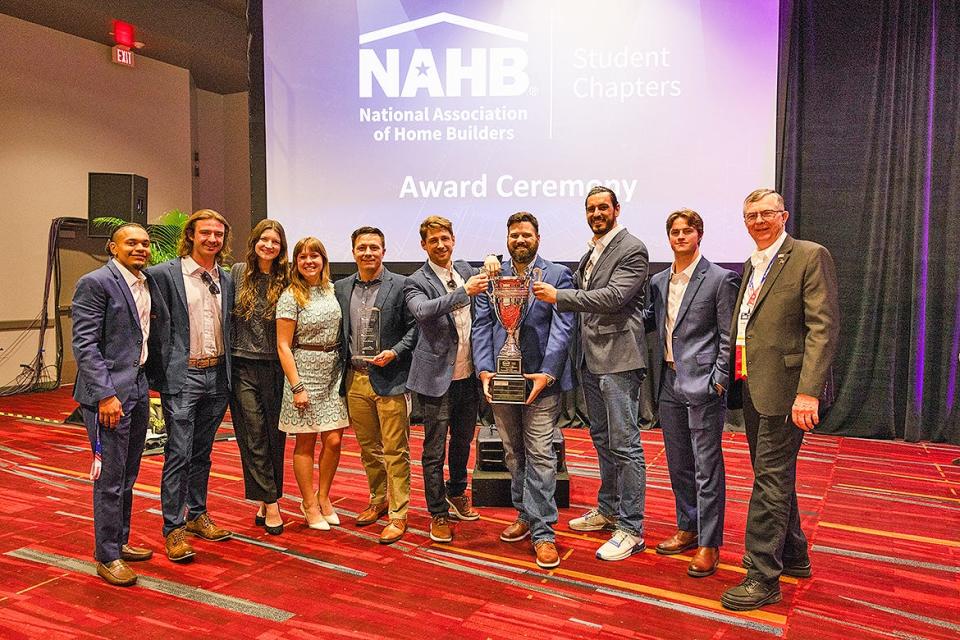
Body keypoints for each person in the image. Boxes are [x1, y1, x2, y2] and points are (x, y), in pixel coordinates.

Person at [720, 188, 839, 611]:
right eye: (750, 214)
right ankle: (794, 555)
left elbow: (822, 329)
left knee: (769, 479)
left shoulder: (809, 255)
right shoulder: (754, 262)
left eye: (766, 213)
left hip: (789, 391)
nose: (757, 221)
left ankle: (762, 577)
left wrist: (808, 391)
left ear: (784, 215)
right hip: (754, 385)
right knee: (772, 474)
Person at [533, 185, 649, 561]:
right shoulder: (591, 253)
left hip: (619, 360)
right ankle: (609, 509)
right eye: (591, 208)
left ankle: (631, 527)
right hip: (591, 360)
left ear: (617, 209)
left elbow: (615, 297)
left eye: (603, 207)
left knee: (626, 445)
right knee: (602, 438)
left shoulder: (632, 248)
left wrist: (559, 297)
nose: (597, 213)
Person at [473, 212, 575, 568]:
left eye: (526, 235)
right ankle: (525, 514)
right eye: (514, 234)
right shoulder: (493, 277)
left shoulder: (558, 275)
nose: (520, 240)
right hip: (501, 383)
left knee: (542, 454)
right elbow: (482, 326)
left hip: (540, 384)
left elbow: (563, 330)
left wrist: (546, 375)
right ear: (506, 239)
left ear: (538, 238)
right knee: (513, 452)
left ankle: (544, 532)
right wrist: (485, 372)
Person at [72, 223, 168, 586]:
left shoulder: (145, 283)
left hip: (139, 387)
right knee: (109, 479)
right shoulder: (95, 283)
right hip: (108, 394)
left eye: (145, 243)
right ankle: (106, 555)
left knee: (128, 475)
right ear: (113, 247)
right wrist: (105, 395)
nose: (141, 248)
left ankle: (120, 540)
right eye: (132, 243)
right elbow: (85, 345)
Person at [646, 209, 739, 577]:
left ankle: (709, 543)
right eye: (675, 232)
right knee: (678, 463)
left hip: (703, 383)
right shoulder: (658, 281)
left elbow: (728, 336)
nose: (681, 237)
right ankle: (687, 527)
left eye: (687, 231)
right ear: (668, 237)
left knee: (707, 466)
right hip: (668, 381)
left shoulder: (720, 279)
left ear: (699, 235)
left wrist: (718, 379)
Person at [148, 209, 235, 562]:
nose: (212, 239)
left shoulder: (226, 279)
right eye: (206, 233)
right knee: (179, 453)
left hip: (217, 376)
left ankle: (197, 515)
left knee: (203, 452)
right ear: (191, 235)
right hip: (182, 377)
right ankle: (174, 528)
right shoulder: (164, 275)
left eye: (218, 234)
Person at [404, 216, 488, 543]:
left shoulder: (465, 269)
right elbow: (423, 311)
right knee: (434, 449)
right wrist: (463, 292)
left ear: (454, 239)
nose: (441, 245)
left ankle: (456, 493)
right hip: (437, 378)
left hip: (469, 375)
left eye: (445, 239)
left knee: (463, 441)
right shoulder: (416, 281)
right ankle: (437, 512)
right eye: (433, 240)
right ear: (424, 245)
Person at [335, 227, 417, 544]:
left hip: (391, 378)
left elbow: (415, 330)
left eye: (374, 247)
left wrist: (395, 352)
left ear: (384, 250)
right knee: (369, 449)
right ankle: (378, 498)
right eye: (362, 247)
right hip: (355, 378)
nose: (368, 253)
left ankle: (399, 514)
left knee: (396, 450)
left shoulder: (401, 285)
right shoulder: (341, 288)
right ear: (353, 251)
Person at [277, 237, 350, 531]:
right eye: (303, 256)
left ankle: (324, 497)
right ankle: (308, 502)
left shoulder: (333, 290)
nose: (309, 261)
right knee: (305, 442)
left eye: (314, 256)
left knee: (333, 440)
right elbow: (283, 345)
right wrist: (297, 386)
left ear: (323, 259)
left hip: (333, 373)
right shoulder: (291, 295)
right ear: (296, 262)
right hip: (303, 373)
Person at [230, 219, 290, 535]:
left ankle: (264, 499)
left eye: (275, 241)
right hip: (242, 367)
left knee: (273, 437)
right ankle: (273, 503)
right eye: (264, 239)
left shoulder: (287, 279)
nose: (269, 245)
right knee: (252, 434)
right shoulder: (238, 273)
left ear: (281, 248)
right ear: (255, 241)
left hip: (275, 367)